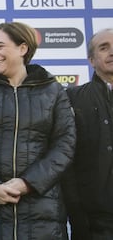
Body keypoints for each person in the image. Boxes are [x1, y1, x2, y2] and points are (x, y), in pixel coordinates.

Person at [0, 22, 76, 239]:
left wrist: (28, 183)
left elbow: (65, 143)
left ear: (23, 48)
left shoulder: (53, 89)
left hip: (41, 210)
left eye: (0, 47)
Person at [62, 28, 113, 240]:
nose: (112, 52)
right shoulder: (72, 97)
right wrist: (76, 209)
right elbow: (65, 157)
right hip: (94, 221)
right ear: (91, 60)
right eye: (104, 48)